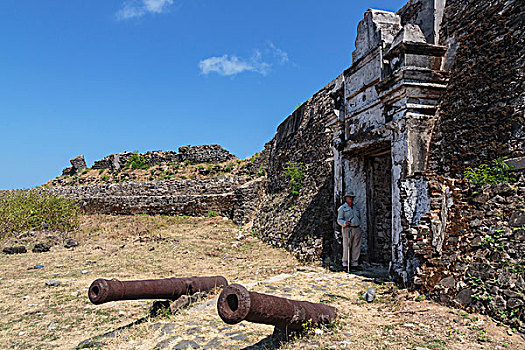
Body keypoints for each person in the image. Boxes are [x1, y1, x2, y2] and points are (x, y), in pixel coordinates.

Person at [337, 192, 362, 271]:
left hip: (356, 228)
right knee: (347, 246)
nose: (351, 198)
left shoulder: (356, 208)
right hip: (347, 229)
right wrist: (344, 223)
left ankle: (355, 263)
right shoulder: (342, 208)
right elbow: (339, 219)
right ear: (345, 198)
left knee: (356, 246)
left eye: (352, 197)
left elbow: (359, 218)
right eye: (349, 197)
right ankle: (345, 264)